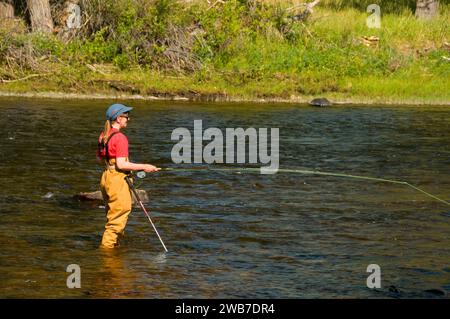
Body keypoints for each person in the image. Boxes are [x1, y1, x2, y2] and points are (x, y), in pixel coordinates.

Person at [97, 103, 160, 248]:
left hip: (106, 177)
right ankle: (106, 256)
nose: (128, 119)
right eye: (126, 116)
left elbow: (100, 159)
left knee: (112, 215)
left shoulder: (103, 135)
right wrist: (145, 167)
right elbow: (122, 164)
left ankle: (114, 248)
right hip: (117, 179)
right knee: (118, 216)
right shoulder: (120, 138)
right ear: (119, 118)